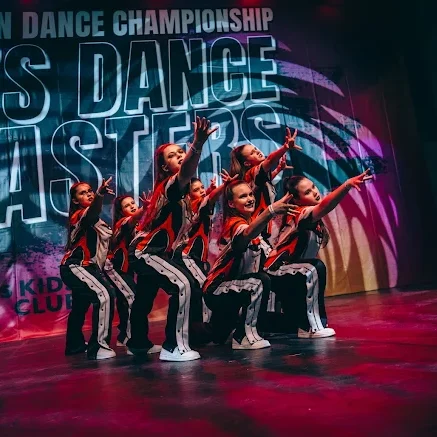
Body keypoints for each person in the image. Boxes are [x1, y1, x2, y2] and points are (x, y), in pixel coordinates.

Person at [127, 117, 218, 361]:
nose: (179, 155)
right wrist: (197, 144)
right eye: (172, 155)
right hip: (146, 251)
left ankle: (138, 343)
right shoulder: (170, 186)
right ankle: (173, 347)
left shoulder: (183, 194)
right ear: (165, 167)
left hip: (155, 251)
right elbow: (187, 171)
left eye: (180, 152)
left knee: (144, 298)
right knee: (183, 285)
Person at [264, 170, 373, 338]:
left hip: (292, 274)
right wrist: (346, 185)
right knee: (314, 267)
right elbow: (325, 206)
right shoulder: (300, 213)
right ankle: (313, 327)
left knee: (290, 324)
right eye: (307, 192)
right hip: (277, 271)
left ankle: (299, 324)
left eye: (313, 187)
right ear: (296, 200)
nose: (314, 192)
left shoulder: (310, 219)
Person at [203, 180, 299, 349]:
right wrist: (270, 211)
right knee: (260, 281)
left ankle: (227, 328)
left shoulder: (251, 223)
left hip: (238, 290)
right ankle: (243, 337)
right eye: (243, 196)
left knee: (290, 324)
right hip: (217, 291)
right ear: (231, 204)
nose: (249, 199)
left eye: (250, 194)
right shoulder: (234, 224)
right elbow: (246, 234)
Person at [60, 177, 117, 360]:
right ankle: (98, 347)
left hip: (84, 267)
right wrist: (99, 195)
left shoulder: (95, 221)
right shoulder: (80, 215)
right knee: (105, 295)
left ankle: (74, 345)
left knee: (80, 305)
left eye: (90, 191)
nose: (89, 194)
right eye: (83, 193)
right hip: (76, 265)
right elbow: (92, 212)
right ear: (75, 200)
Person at [229, 128, 301, 239]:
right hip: (257, 227)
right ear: (247, 163)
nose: (257, 151)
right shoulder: (252, 172)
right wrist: (285, 148)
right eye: (252, 153)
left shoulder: (255, 177)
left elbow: (264, 183)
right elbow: (270, 160)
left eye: (255, 149)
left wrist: (278, 170)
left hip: (260, 227)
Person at [105, 192, 151, 347]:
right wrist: (145, 208)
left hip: (126, 268)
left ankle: (124, 336)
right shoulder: (123, 222)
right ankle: (134, 342)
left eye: (133, 203)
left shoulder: (139, 224)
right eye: (127, 206)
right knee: (133, 299)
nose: (132, 206)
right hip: (114, 267)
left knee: (125, 300)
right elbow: (133, 219)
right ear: (121, 211)